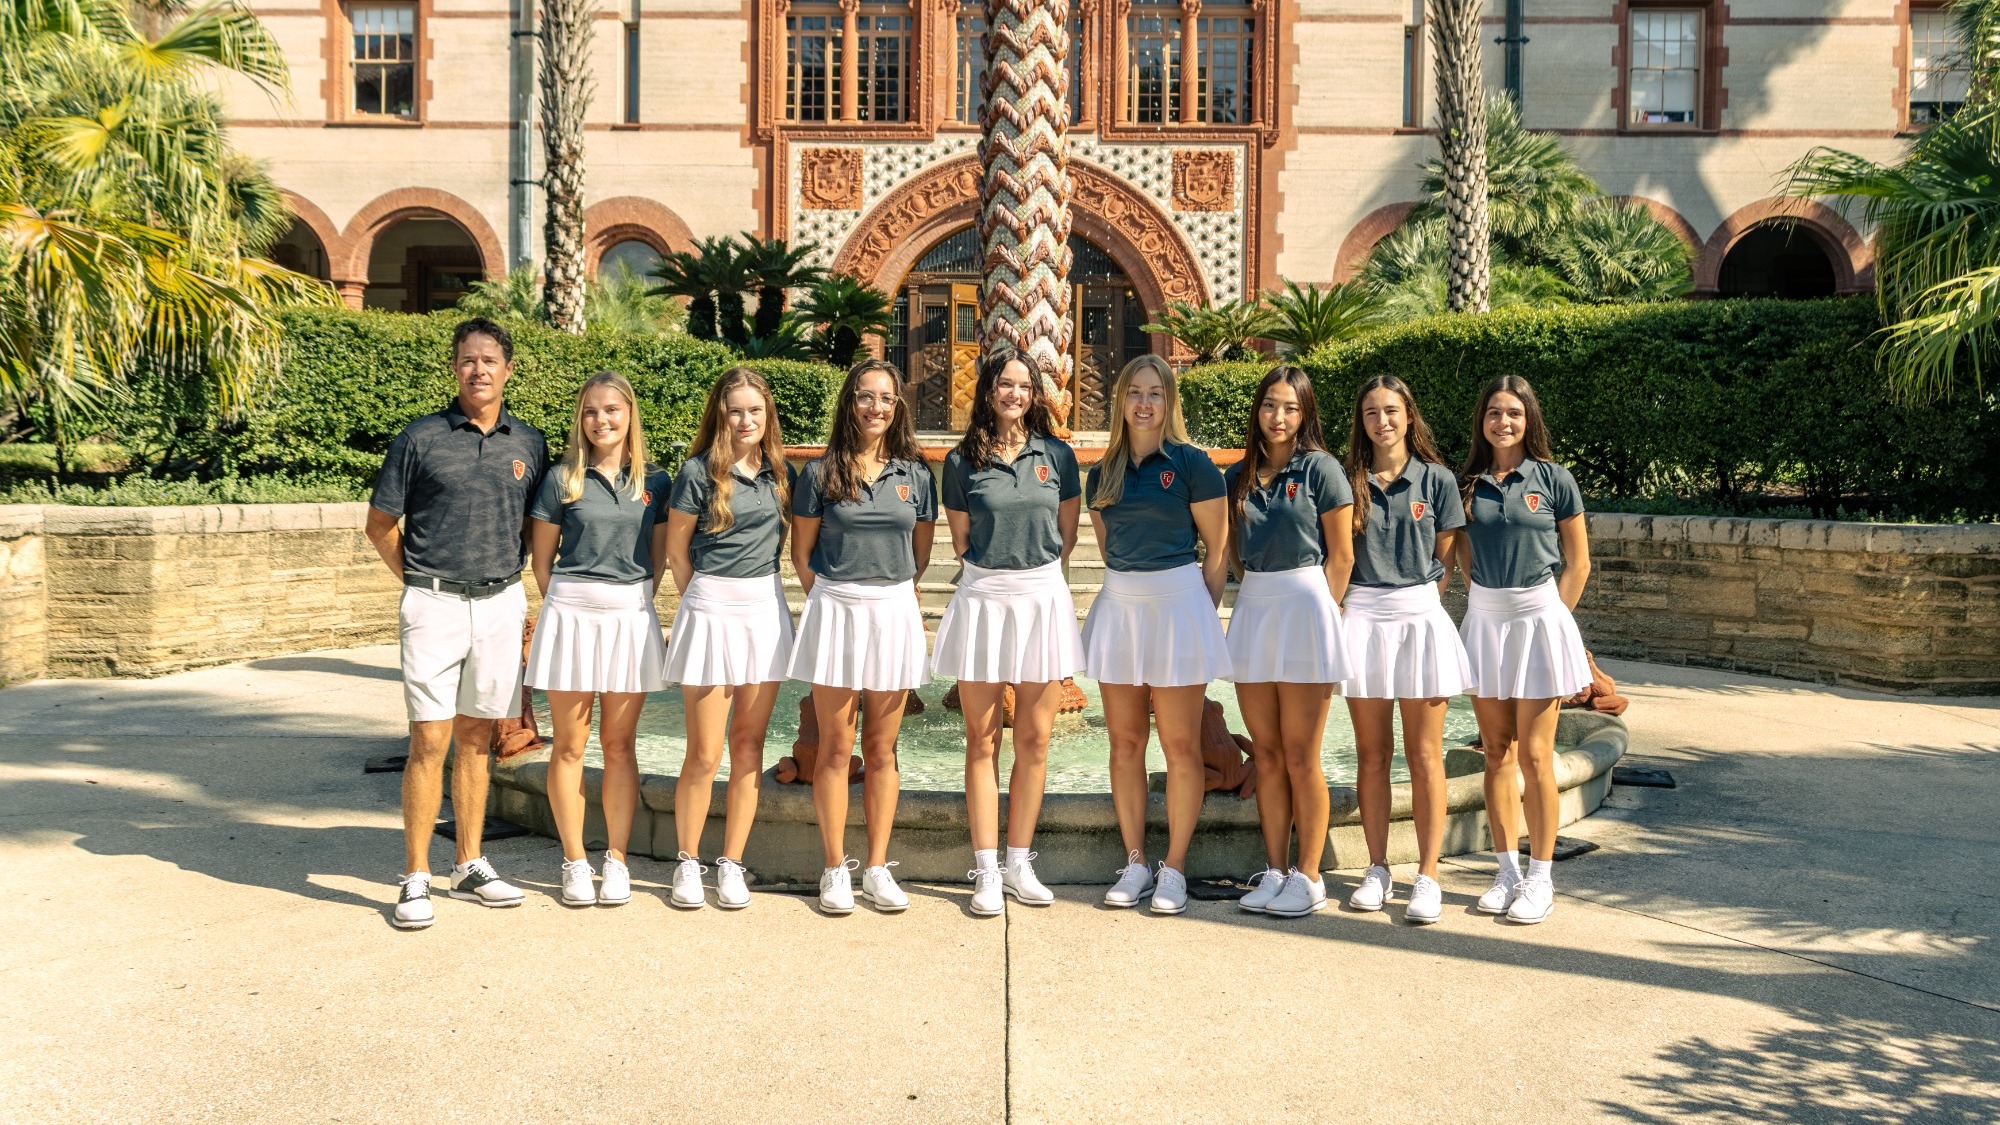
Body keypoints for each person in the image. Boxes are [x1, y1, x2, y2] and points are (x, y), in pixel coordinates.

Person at [366, 317, 548, 930]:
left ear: (508, 369)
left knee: (478, 738)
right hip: (434, 604)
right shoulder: (418, 439)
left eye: (489, 360)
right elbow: (379, 525)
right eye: (468, 360)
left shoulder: (531, 444)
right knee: (429, 740)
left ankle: (469, 864)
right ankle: (415, 874)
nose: (479, 370)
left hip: (500, 603)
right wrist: (419, 583)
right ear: (454, 368)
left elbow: (533, 528)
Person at [932, 348, 1084, 917]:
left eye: (1023, 385)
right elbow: (963, 539)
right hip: (984, 597)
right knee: (982, 740)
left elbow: (1065, 536)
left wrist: (1036, 575)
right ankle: (988, 869)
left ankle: (1020, 861)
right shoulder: (959, 462)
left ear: (1035, 394)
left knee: (1035, 741)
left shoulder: (1059, 457)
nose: (1014, 394)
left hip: (1041, 596)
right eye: (1004, 383)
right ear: (988, 390)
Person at [1082, 354, 1231, 915]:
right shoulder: (1103, 472)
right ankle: (1137, 862)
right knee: (1124, 743)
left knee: (1181, 746)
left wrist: (1199, 614)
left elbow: (1217, 550)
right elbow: (1108, 546)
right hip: (1121, 606)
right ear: (1121, 400)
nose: (1145, 403)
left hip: (1178, 607)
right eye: (1135, 393)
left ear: (1170, 403)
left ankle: (1176, 869)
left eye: (1156, 393)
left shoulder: (1194, 465)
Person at [786, 359, 936, 915]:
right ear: (850, 403)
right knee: (833, 747)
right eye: (866, 397)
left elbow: (919, 557)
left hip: (892, 608)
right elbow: (802, 555)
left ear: (898, 408)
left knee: (882, 748)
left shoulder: (916, 476)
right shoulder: (819, 474)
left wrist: (891, 596)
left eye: (887, 399)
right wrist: (831, 598)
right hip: (837, 608)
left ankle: (876, 867)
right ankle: (834, 869)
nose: (876, 408)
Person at [519, 371, 671, 909]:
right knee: (569, 746)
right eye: (590, 411)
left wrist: (631, 600)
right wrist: (568, 605)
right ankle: (575, 861)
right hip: (572, 610)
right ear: (579, 420)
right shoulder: (564, 478)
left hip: (630, 612)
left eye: (611, 409)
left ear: (630, 414)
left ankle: (618, 860)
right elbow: (541, 562)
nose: (601, 420)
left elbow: (657, 558)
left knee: (619, 746)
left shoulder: (657, 480)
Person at [1455, 375, 1593, 925]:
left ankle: (1541, 877)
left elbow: (1577, 562)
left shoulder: (1555, 479)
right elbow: (1462, 555)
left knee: (1536, 757)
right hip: (1487, 619)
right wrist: (1485, 600)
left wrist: (1553, 620)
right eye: (1493, 412)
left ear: (1528, 418)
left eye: (1513, 412)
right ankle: (1506, 870)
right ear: (1481, 421)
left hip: (1540, 619)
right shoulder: (1466, 484)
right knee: (1495, 752)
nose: (1503, 421)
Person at [660, 367, 797, 910]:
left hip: (764, 608)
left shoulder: (780, 473)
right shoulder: (698, 472)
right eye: (736, 410)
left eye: (755, 411)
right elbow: (676, 553)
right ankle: (687, 863)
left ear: (768, 418)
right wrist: (705, 604)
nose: (746, 420)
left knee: (748, 749)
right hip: (712, 606)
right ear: (721, 413)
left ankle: (731, 865)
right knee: (704, 753)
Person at [1222, 366, 1355, 919]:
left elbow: (1342, 556)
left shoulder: (1322, 469)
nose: (1279, 418)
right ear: (1258, 410)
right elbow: (1230, 552)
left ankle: (1309, 874)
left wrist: (1320, 614)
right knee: (1269, 754)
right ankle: (1275, 871)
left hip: (1305, 607)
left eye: (1291, 408)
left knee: (1302, 755)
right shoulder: (1239, 475)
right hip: (1255, 606)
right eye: (1270, 406)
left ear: (1305, 414)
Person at [1340, 375, 1472, 925]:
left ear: (1409, 416)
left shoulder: (1437, 479)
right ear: (1361, 422)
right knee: (1371, 755)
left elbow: (1442, 555)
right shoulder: (1348, 480)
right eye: (1371, 412)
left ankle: (1428, 875)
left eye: (1391, 410)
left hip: (1419, 618)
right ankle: (1376, 868)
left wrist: (1416, 603)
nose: (1382, 421)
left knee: (1424, 756)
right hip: (1363, 617)